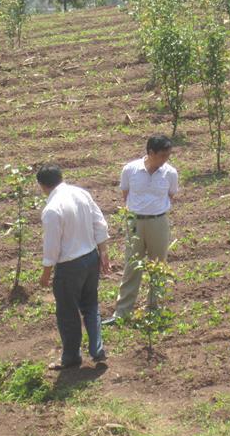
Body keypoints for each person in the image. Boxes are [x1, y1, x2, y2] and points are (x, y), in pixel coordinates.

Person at [37, 164, 111, 370]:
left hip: (69, 266)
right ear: (61, 178)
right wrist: (103, 251)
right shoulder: (80, 193)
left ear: (42, 186)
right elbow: (99, 222)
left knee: (67, 312)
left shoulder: (52, 210)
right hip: (90, 258)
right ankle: (97, 349)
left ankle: (71, 356)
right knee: (91, 305)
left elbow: (52, 246)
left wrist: (45, 274)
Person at [103, 135, 178, 325]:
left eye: (168, 156)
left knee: (158, 265)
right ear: (150, 152)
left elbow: (171, 195)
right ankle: (123, 312)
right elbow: (125, 195)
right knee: (132, 265)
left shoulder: (170, 173)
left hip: (158, 222)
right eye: (162, 155)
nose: (165, 160)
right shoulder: (130, 170)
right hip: (135, 222)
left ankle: (154, 308)